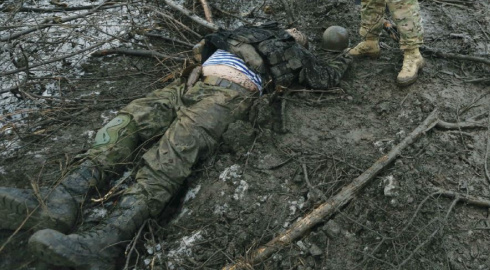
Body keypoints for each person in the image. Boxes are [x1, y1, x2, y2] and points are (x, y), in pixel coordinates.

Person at [0, 22, 351, 269]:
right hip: (188, 85)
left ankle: (106, 241)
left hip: (227, 97)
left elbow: (326, 77)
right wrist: (224, 48)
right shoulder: (251, 30)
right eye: (293, 29)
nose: (294, 32)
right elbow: (210, 39)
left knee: (171, 154)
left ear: (304, 43)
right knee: (127, 122)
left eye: (300, 35)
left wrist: (348, 55)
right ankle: (62, 199)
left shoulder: (297, 56)